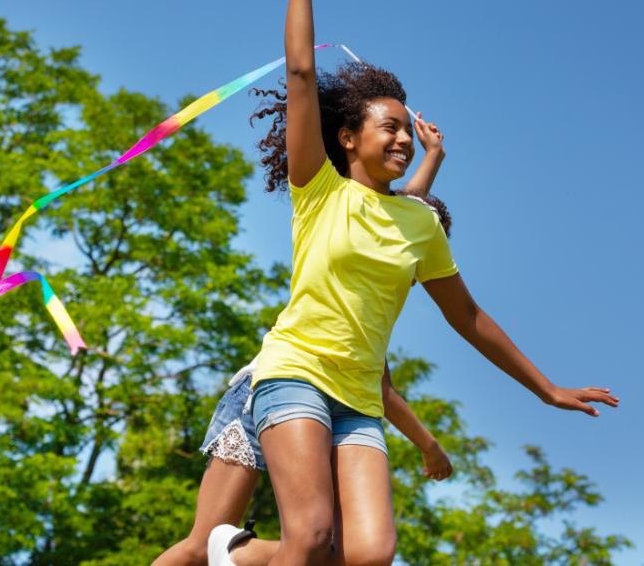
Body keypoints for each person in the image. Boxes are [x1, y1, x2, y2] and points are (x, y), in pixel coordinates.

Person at [217, 0, 617, 566]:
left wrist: (547, 389)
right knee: (313, 537)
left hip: (359, 401)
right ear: (348, 137)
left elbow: (467, 314)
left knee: (369, 556)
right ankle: (236, 550)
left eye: (409, 129)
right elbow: (297, 75)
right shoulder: (318, 186)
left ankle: (234, 551)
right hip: (294, 376)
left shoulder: (420, 222)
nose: (403, 137)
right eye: (390, 127)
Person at [151, 118, 453, 566]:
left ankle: (239, 554)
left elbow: (399, 215)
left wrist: (433, 158)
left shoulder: (368, 327)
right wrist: (429, 445)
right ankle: (233, 550)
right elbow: (392, 208)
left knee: (332, 554)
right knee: (202, 543)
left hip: (319, 397)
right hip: (270, 386)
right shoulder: (362, 220)